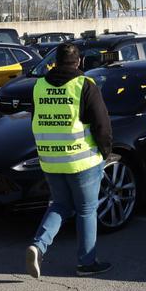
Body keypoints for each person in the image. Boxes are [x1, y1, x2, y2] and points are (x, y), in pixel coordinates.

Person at [25, 43, 113, 278]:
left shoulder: (39, 86)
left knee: (60, 205)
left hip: (50, 159)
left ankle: (38, 245)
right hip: (82, 160)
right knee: (86, 210)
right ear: (79, 61)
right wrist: (106, 152)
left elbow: (36, 119)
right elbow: (102, 125)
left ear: (55, 61)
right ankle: (86, 263)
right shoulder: (85, 85)